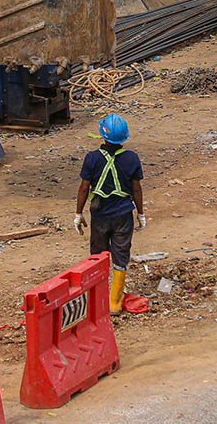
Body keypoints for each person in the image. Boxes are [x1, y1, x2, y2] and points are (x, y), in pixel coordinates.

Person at [74, 114, 145, 315]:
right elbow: (136, 189)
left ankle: (98, 299)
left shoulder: (92, 158)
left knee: (98, 255)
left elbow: (84, 188)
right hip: (123, 214)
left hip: (100, 216)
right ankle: (114, 303)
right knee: (121, 255)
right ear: (123, 137)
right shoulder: (131, 158)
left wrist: (78, 213)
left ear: (102, 135)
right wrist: (140, 213)